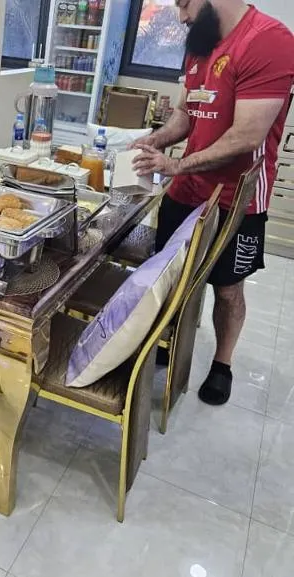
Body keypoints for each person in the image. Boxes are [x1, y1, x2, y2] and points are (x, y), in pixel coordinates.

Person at [132, 0, 294, 405]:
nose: (182, 16)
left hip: (236, 198)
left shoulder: (269, 41)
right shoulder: (201, 41)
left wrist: (176, 164)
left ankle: (222, 364)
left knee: (227, 289)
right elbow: (186, 114)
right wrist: (156, 140)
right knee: (171, 274)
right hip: (186, 189)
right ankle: (169, 338)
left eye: (184, 3)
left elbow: (247, 135)